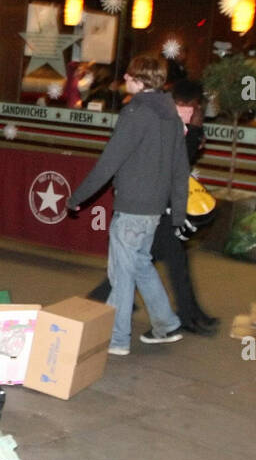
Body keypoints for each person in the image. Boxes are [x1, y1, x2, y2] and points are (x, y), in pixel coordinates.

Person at [66, 54, 189, 355]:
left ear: (140, 79)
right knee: (140, 264)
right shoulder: (170, 114)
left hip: (132, 205)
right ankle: (167, 324)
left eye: (129, 76)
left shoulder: (135, 112)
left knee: (121, 273)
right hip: (154, 208)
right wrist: (179, 212)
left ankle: (118, 338)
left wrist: (78, 197)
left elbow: (110, 161)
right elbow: (180, 166)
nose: (124, 81)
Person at [85, 79, 218, 334]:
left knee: (145, 260)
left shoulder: (179, 127)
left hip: (160, 207)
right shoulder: (170, 125)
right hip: (158, 207)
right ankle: (175, 318)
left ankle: (178, 317)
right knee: (145, 261)